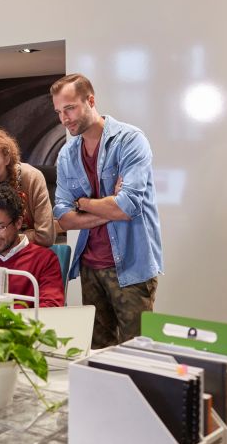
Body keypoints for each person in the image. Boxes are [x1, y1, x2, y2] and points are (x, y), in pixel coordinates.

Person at [51, 73, 162, 348]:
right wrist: (108, 201)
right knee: (97, 354)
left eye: (70, 108)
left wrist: (84, 203)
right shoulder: (67, 154)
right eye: (59, 112)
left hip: (130, 266)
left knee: (137, 353)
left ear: (90, 100)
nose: (65, 118)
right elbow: (63, 216)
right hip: (89, 267)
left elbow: (127, 207)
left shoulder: (130, 140)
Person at [0, 184, 64, 307]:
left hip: (24, 325)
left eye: (0, 227)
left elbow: (51, 307)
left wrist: (2, 315)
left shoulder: (45, 260)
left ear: (18, 223)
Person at [0, 126, 55, 247]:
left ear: (7, 158)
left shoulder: (32, 177)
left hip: (32, 252)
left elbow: (46, 237)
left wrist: (2, 236)